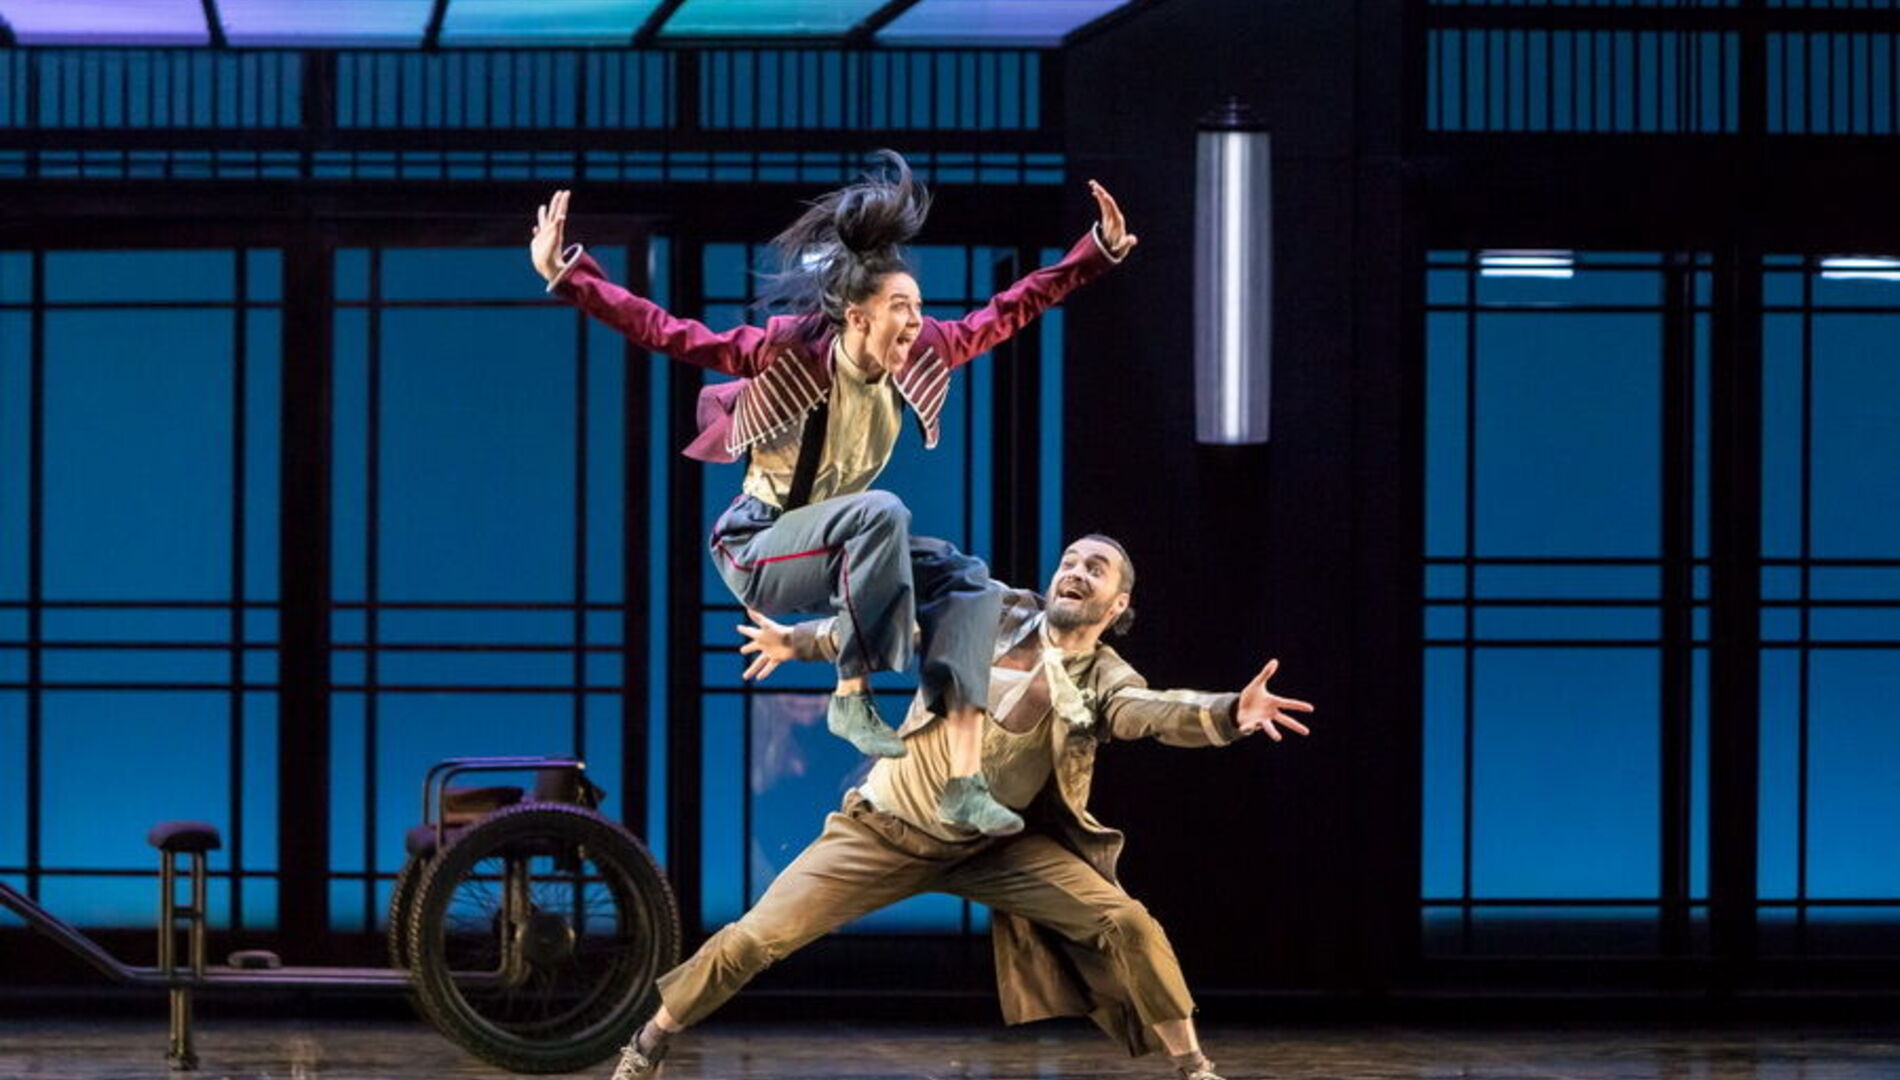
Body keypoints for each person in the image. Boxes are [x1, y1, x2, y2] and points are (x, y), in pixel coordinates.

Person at [531, 154, 1137, 835]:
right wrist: (570, 275)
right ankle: (851, 696)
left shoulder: (923, 350)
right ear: (856, 317)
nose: (916, 323)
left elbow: (1008, 310)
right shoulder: (791, 350)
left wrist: (1093, 254)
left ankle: (963, 783)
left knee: (969, 584)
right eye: (900, 308)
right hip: (758, 545)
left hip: (847, 548)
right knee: (881, 510)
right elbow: (670, 332)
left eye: (919, 309)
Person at [610, 534, 1316, 1080]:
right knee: (753, 940)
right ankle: (648, 1042)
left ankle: (1193, 1068)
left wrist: (1229, 712)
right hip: (882, 831)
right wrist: (797, 640)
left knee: (1125, 921)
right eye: (1070, 561)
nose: (1075, 571)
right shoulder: (992, 611)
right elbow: (889, 626)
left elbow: (1150, 710)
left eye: (1095, 568)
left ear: (1117, 604)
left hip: (994, 847)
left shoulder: (1103, 676)